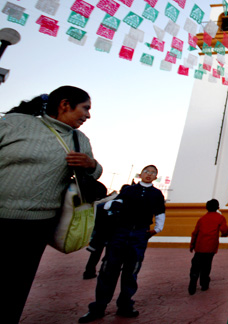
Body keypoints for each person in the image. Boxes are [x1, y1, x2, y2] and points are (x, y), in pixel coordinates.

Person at [0, 86, 102, 324]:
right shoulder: (15, 123)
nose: (88, 115)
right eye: (85, 108)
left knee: (14, 288)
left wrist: (90, 164)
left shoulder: (79, 140)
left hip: (37, 225)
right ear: (65, 104)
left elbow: (94, 174)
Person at [79, 165, 165, 322]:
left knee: (132, 270)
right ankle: (99, 306)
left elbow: (160, 212)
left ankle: (125, 305)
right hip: (120, 232)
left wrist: (157, 229)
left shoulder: (157, 194)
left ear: (155, 177)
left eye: (153, 173)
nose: (149, 174)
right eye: (147, 171)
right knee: (108, 269)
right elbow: (111, 204)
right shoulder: (129, 191)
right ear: (141, 174)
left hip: (139, 233)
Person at [83, 185, 131, 280]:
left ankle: (89, 271)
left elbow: (96, 215)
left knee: (95, 253)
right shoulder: (127, 205)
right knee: (109, 254)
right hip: (114, 234)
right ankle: (104, 270)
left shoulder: (104, 204)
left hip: (101, 232)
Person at [189, 199, 228, 295]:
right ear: (218, 207)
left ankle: (193, 279)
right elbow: (224, 230)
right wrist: (225, 234)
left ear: (206, 207)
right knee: (206, 265)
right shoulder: (220, 218)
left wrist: (192, 245)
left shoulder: (202, 219)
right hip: (211, 246)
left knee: (196, 265)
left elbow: (195, 233)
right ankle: (204, 283)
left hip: (199, 246)